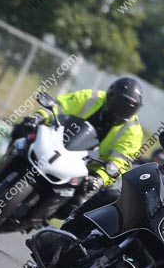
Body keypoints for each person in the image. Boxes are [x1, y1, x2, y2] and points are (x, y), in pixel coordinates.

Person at [10, 77, 145, 218]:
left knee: (81, 204)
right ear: (110, 96)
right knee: (24, 132)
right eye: (120, 104)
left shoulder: (133, 131)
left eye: (128, 108)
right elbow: (60, 106)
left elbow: (121, 160)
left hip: (87, 170)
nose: (121, 111)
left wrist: (100, 179)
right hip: (56, 143)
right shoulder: (90, 97)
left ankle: (54, 231)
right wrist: (39, 116)